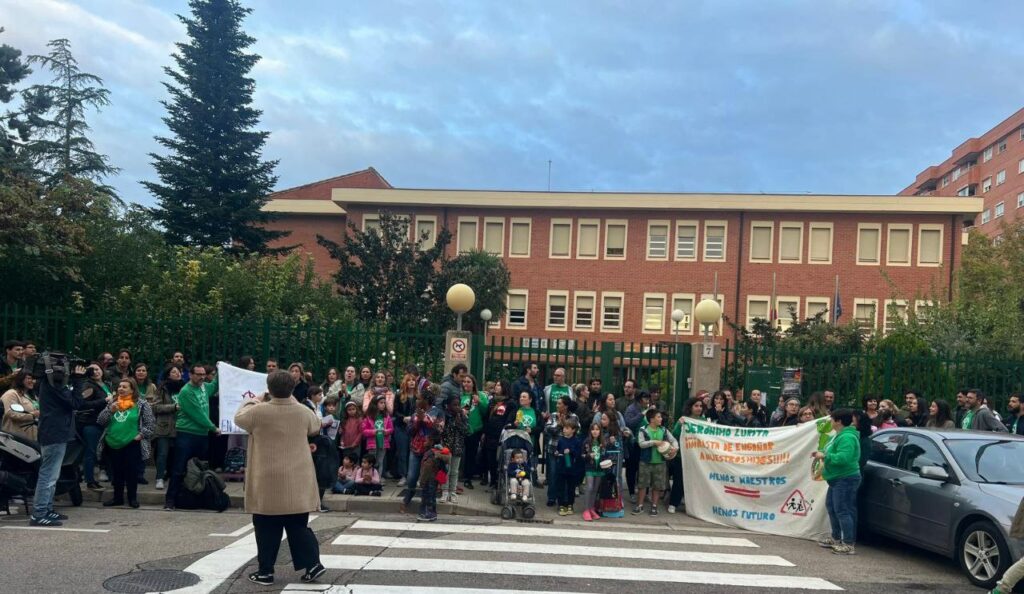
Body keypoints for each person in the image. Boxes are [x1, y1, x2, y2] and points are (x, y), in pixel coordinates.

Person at [234, 370, 324, 586]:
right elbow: (315, 425)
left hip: (268, 478)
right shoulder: (302, 412)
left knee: (266, 526)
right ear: (292, 389)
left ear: (269, 388)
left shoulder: (258, 412)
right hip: (297, 477)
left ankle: (266, 571)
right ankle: (312, 564)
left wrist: (252, 400)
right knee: (298, 525)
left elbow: (239, 418)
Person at [31, 360, 88, 527]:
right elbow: (76, 403)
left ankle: (46, 509)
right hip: (54, 434)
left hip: (53, 433)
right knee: (48, 475)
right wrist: (78, 381)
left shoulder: (47, 384)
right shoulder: (55, 386)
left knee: (52, 475)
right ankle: (39, 513)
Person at [165, 364, 220, 511]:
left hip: (201, 435)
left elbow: (214, 386)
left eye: (203, 374)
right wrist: (213, 428)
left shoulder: (204, 387)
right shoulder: (186, 391)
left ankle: (198, 498)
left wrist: (222, 371)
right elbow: (197, 414)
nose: (202, 377)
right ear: (190, 375)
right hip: (187, 434)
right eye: (198, 374)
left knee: (200, 468)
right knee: (179, 467)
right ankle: (170, 500)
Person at [97, 378, 155, 508]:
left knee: (131, 473)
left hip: (131, 443)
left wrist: (140, 435)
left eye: (124, 387)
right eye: (119, 387)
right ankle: (117, 498)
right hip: (112, 443)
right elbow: (100, 421)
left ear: (132, 390)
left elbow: (150, 425)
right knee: (117, 473)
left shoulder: (142, 404)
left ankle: (132, 499)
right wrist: (109, 410)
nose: (120, 389)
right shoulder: (113, 403)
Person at [813, 408, 862, 555]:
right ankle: (836, 538)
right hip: (837, 478)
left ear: (839, 421)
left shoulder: (847, 437)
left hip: (845, 477)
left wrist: (825, 455)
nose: (830, 421)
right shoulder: (839, 435)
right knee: (832, 507)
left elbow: (843, 458)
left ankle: (848, 543)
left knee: (842, 510)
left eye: (832, 419)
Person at [634, 409, 677, 516]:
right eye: (658, 417)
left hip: (660, 462)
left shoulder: (664, 430)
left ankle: (654, 507)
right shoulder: (643, 430)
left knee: (657, 486)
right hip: (645, 462)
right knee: (642, 485)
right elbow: (641, 444)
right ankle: (640, 506)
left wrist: (675, 448)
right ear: (652, 419)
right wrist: (654, 442)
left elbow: (674, 440)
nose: (661, 419)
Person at [78, 363, 112, 490]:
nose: (96, 372)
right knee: (90, 452)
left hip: (106, 422)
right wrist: (104, 401)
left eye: (97, 369)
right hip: (91, 423)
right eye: (92, 370)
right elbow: (82, 404)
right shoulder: (88, 385)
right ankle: (90, 480)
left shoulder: (107, 384)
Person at [151, 366, 184, 490]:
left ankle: (177, 478)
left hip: (181, 425)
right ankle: (159, 477)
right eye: (174, 372)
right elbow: (156, 407)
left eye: (179, 371)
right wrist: (173, 407)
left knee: (179, 454)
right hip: (164, 426)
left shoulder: (185, 388)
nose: (178, 374)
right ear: (168, 375)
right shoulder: (162, 389)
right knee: (162, 454)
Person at [543, 396, 579, 507]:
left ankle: (564, 500)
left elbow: (577, 429)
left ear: (566, 406)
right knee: (553, 474)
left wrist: (564, 424)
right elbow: (547, 429)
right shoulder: (553, 415)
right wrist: (560, 425)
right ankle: (552, 497)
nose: (557, 405)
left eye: (559, 404)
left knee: (566, 475)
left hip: (567, 451)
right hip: (554, 449)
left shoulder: (573, 417)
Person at [481, 379, 514, 490]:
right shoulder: (492, 401)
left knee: (500, 459)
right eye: (496, 385)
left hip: (501, 435)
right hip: (490, 434)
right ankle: (493, 482)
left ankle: (501, 482)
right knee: (490, 459)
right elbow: (486, 417)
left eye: (499, 385)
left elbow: (509, 419)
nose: (496, 387)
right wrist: (485, 432)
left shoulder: (510, 403)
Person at [460, 373, 489, 490]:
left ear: (473, 384)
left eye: (468, 382)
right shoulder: (460, 395)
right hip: (461, 428)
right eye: (464, 381)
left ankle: (468, 478)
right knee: (459, 454)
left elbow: (486, 412)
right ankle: (458, 476)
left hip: (475, 429)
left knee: (471, 454)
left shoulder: (480, 395)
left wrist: (480, 402)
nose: (466, 384)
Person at [440, 394, 468, 502]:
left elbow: (466, 431)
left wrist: (459, 422)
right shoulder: (445, 416)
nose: (457, 407)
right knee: (444, 470)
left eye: (458, 405)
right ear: (448, 406)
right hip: (446, 447)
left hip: (458, 447)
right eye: (454, 405)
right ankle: (444, 491)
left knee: (454, 471)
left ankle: (452, 491)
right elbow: (442, 431)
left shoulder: (462, 416)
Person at [553, 417, 583, 516]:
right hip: (561, 467)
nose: (564, 430)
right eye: (564, 428)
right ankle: (561, 504)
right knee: (560, 486)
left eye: (567, 428)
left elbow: (579, 454)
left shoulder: (577, 441)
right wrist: (557, 452)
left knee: (571, 487)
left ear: (573, 430)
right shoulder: (561, 440)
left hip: (573, 468)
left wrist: (571, 451)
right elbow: (557, 450)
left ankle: (570, 504)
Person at [418, 432, 450, 522]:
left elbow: (426, 469)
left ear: (431, 442)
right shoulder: (438, 452)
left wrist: (422, 481)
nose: (424, 441)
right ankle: (431, 512)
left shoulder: (430, 454)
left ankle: (430, 514)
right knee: (432, 496)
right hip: (434, 478)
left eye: (426, 440)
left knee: (428, 496)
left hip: (429, 479)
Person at [361, 395, 393, 481]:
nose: (383, 405)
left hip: (383, 443)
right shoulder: (368, 416)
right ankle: (368, 479)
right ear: (375, 404)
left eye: (384, 403)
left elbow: (391, 428)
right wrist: (373, 432)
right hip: (372, 443)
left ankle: (377, 480)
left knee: (380, 462)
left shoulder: (386, 416)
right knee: (371, 462)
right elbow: (363, 430)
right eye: (381, 403)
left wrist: (386, 431)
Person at [1, 370, 38, 441]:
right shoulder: (11, 394)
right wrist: (33, 415)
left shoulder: (33, 396)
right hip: (15, 439)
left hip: (32, 438)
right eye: (29, 378)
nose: (32, 381)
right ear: (20, 379)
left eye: (33, 379)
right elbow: (11, 413)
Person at [581, 423, 607, 521]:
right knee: (590, 487)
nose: (595, 431)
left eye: (597, 429)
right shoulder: (586, 442)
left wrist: (607, 462)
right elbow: (582, 455)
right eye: (593, 429)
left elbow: (605, 455)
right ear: (590, 431)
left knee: (595, 489)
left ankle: (592, 509)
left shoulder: (603, 442)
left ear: (600, 431)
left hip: (600, 468)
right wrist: (588, 456)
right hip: (590, 468)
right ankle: (586, 510)